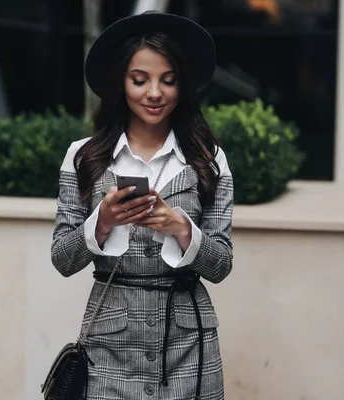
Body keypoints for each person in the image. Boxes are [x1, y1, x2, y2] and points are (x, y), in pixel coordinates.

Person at [51, 10, 233, 400]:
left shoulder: (207, 158)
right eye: (140, 80)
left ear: (182, 86)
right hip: (108, 346)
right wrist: (102, 221)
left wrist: (181, 228)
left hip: (189, 346)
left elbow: (221, 265)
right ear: (121, 83)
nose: (155, 93)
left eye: (168, 81)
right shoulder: (83, 157)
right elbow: (63, 260)